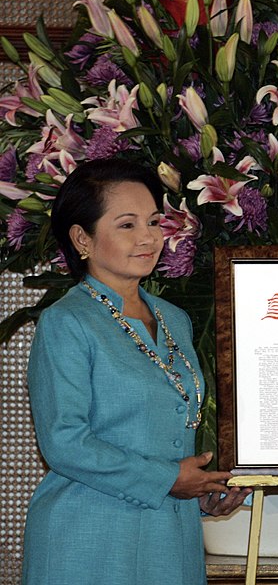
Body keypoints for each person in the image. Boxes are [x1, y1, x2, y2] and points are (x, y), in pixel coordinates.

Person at [22, 159, 250, 584]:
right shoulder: (66, 321)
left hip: (171, 532)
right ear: (81, 238)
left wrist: (203, 491)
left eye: (153, 221)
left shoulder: (174, 319)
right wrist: (168, 478)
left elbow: (170, 431)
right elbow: (64, 442)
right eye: (127, 225)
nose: (148, 237)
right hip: (88, 536)